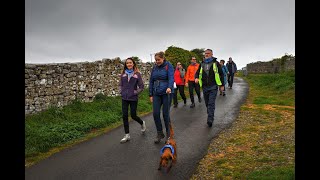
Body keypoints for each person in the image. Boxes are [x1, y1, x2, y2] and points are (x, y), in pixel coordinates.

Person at [119, 57, 146, 143]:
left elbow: (141, 87)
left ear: (133, 64)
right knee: (124, 116)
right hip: (124, 98)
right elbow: (120, 84)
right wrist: (121, 91)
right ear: (125, 65)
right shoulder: (123, 74)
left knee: (133, 115)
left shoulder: (137, 74)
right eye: (127, 63)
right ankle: (127, 135)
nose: (129, 64)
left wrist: (135, 92)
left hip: (133, 98)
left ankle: (142, 123)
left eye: (130, 63)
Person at [149, 51, 174, 143]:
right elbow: (151, 81)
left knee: (165, 114)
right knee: (155, 113)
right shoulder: (154, 67)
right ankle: (160, 133)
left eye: (158, 60)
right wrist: (150, 94)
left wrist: (169, 87)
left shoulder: (168, 66)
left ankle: (169, 134)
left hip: (167, 92)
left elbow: (171, 77)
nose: (157, 61)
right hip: (156, 93)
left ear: (163, 58)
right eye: (156, 60)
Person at [195, 49, 224, 127]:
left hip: (213, 86)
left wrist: (222, 85)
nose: (206, 54)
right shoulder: (202, 63)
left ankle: (210, 119)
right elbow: (197, 72)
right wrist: (196, 78)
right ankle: (210, 114)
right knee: (207, 103)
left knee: (211, 103)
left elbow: (221, 74)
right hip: (205, 87)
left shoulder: (216, 63)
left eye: (208, 53)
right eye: (205, 53)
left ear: (212, 54)